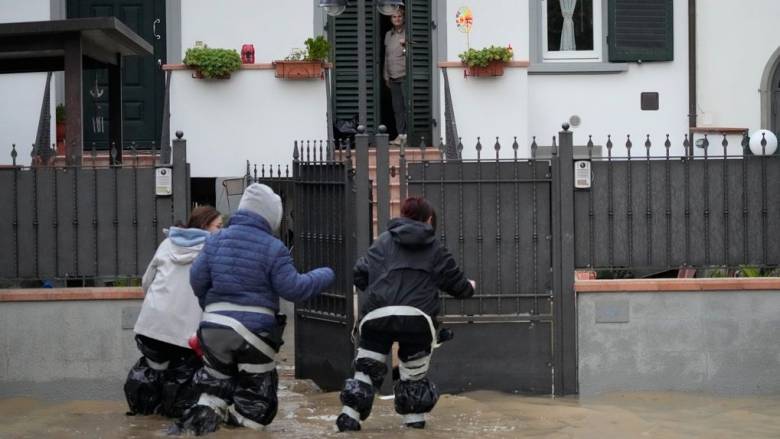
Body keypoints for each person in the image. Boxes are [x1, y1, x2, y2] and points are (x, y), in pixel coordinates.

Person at [172, 183, 335, 435]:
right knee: (257, 402)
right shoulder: (274, 247)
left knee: (212, 390)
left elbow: (196, 278)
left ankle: (198, 424)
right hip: (253, 334)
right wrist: (326, 274)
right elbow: (294, 289)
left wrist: (211, 308)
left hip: (213, 331)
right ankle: (243, 426)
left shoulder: (215, 240)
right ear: (271, 216)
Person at [336, 197, 475, 432]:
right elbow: (457, 285)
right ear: (429, 219)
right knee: (413, 375)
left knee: (366, 371)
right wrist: (469, 287)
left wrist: (380, 290)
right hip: (417, 320)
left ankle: (349, 419)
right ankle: (413, 424)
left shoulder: (382, 241)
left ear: (403, 215)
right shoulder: (435, 248)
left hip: (377, 315)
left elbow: (359, 273)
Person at [124, 206, 223, 418]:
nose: (221, 231)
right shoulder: (213, 251)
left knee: (153, 373)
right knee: (181, 386)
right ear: (205, 225)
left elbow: (147, 281)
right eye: (219, 226)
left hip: (152, 326)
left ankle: (144, 421)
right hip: (185, 333)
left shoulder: (168, 243)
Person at [384, 8, 407, 145]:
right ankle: (401, 135)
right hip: (392, 77)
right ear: (391, 19)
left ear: (403, 18)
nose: (397, 19)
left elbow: (412, 53)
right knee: (397, 109)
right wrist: (386, 76)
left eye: (399, 16)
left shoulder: (408, 33)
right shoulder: (388, 35)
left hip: (405, 76)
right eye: (394, 17)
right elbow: (386, 57)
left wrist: (405, 47)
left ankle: (409, 135)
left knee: (406, 107)